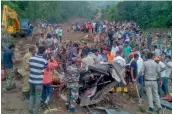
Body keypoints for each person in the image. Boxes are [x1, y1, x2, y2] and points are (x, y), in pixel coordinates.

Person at [28, 46, 48, 114]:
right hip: (38, 82)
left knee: (31, 95)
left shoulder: (31, 58)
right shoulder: (44, 61)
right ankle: (36, 112)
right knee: (38, 97)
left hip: (31, 80)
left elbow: (30, 67)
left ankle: (30, 110)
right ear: (44, 51)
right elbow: (46, 68)